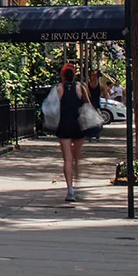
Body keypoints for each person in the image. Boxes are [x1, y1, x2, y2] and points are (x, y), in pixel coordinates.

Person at [50, 63, 89, 203]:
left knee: (67, 159)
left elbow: (51, 107)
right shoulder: (81, 87)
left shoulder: (58, 89)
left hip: (64, 125)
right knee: (76, 159)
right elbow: (88, 106)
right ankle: (77, 186)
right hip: (78, 125)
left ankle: (70, 190)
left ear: (62, 75)